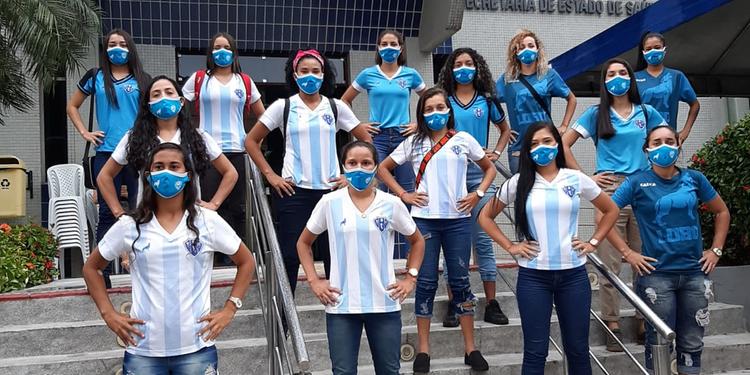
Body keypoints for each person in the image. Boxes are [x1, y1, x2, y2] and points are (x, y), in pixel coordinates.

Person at [82, 142, 255, 374]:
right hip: (143, 351)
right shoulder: (130, 225)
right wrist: (109, 314)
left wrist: (230, 308)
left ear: (188, 175)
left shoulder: (207, 221)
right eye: (159, 166)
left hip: (196, 349)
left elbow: (246, 261)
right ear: (148, 176)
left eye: (174, 166)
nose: (166, 172)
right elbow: (91, 268)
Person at [479, 122, 619, 375]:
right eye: (533, 144)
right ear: (526, 151)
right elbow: (485, 217)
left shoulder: (575, 178)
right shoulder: (518, 182)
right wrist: (510, 246)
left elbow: (611, 209)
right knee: (535, 351)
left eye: (546, 141)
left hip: (574, 275)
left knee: (578, 349)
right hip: (534, 277)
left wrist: (593, 242)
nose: (540, 148)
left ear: (557, 144)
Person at [378, 87, 496, 372]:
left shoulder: (463, 139)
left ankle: (471, 348)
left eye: (440, 107)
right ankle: (424, 351)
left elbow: (489, 168)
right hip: (424, 221)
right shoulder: (413, 142)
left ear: (448, 110)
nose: (435, 113)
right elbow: (382, 168)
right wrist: (403, 195)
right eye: (428, 109)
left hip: (457, 220)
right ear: (421, 113)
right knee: (426, 282)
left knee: (461, 283)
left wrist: (477, 193)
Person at [245, 49, 371, 295]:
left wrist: (350, 176)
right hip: (294, 193)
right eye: (304, 71)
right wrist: (271, 175)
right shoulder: (284, 106)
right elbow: (251, 142)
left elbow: (365, 141)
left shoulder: (336, 108)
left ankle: (340, 317)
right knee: (290, 258)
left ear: (324, 75)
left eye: (315, 71)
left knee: (335, 258)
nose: (310, 76)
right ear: (295, 74)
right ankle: (284, 323)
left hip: (332, 193)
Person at [606, 126, 730, 375]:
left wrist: (716, 250)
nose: (664, 146)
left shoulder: (694, 179)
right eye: (657, 141)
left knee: (693, 342)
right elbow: (606, 215)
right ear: (647, 149)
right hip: (656, 275)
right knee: (659, 343)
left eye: (669, 141)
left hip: (696, 274)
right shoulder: (636, 182)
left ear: (678, 145)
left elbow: (722, 211)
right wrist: (628, 253)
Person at [563, 58, 667, 351]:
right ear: (604, 81)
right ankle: (612, 324)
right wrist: (586, 177)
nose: (618, 77)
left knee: (644, 261)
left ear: (631, 79)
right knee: (610, 263)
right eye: (611, 74)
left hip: (645, 189)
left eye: (623, 73)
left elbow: (666, 141)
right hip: (610, 192)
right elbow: (564, 143)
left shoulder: (647, 112)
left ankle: (643, 320)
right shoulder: (597, 113)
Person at [297, 141, 425, 375]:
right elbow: (303, 242)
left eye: (366, 163)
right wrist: (314, 281)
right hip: (341, 305)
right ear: (343, 167)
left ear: (376, 166)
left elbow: (417, 241)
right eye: (352, 163)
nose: (359, 168)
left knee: (389, 370)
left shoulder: (392, 204)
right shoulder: (329, 202)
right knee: (343, 372)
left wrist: (410, 278)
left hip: (384, 304)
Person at [97, 77, 238, 274]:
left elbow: (230, 172)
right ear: (148, 104)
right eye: (156, 94)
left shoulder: (199, 137)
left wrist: (214, 204)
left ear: (181, 101)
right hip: (147, 223)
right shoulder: (134, 138)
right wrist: (119, 214)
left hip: (190, 222)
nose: (163, 98)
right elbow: (104, 176)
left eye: (169, 92)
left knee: (191, 275)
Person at [435, 47, 512, 328]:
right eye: (458, 63)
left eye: (468, 63)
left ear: (477, 67)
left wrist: (496, 152)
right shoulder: (444, 101)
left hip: (481, 177)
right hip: (451, 178)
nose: (464, 68)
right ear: (450, 69)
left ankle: (491, 303)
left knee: (483, 240)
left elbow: (505, 129)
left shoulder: (487, 100)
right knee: (455, 244)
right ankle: (455, 304)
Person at [66, 29, 150, 284]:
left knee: (142, 212)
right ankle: (100, 273)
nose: (117, 48)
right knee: (105, 212)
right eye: (112, 44)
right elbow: (72, 106)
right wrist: (85, 132)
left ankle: (143, 269)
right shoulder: (96, 77)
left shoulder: (143, 80)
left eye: (123, 44)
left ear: (131, 48)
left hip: (137, 155)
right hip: (106, 154)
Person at [342, 29, 427, 258]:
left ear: (401, 48)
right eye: (384, 44)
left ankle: (413, 253)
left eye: (393, 43)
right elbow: (344, 101)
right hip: (377, 139)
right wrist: (359, 126)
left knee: (409, 193)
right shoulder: (368, 74)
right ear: (378, 48)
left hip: (403, 138)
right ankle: (376, 250)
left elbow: (429, 101)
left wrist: (419, 125)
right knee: (373, 192)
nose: (389, 47)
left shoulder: (410, 74)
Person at [183, 32, 266, 258]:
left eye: (227, 47)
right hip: (206, 152)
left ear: (234, 52)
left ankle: (236, 258)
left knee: (237, 208)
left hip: (237, 150)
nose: (222, 51)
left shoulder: (245, 81)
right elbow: (179, 108)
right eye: (217, 47)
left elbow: (264, 118)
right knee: (208, 207)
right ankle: (213, 257)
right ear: (210, 52)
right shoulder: (200, 79)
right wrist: (190, 136)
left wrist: (253, 141)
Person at [497, 29, 577, 174]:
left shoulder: (548, 75)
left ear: (537, 49)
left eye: (530, 45)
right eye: (521, 47)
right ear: (515, 51)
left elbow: (571, 98)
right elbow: (491, 102)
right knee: (523, 192)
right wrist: (504, 130)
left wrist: (564, 125)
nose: (526, 50)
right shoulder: (507, 79)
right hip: (519, 148)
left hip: (547, 143)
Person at [635, 31, 700, 144]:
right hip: (640, 140)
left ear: (664, 49)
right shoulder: (634, 78)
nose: (653, 51)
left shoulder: (676, 76)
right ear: (643, 52)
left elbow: (695, 104)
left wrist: (685, 131)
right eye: (649, 49)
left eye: (657, 47)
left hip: (668, 139)